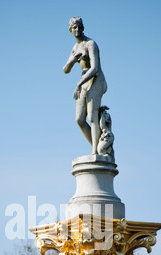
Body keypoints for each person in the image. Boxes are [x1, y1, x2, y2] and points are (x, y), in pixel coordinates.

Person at [63, 17, 107, 154]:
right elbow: (65, 70)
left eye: (79, 27)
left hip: (96, 80)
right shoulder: (75, 47)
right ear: (70, 30)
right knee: (79, 119)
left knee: (92, 117)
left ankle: (95, 151)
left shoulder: (90, 44)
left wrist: (79, 83)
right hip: (84, 80)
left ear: (83, 28)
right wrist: (71, 61)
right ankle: (98, 146)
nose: (77, 30)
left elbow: (94, 68)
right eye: (74, 28)